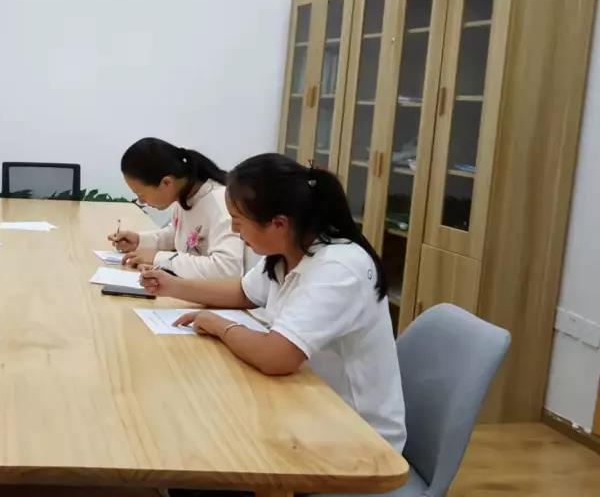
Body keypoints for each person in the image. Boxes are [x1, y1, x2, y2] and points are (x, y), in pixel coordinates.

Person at [140, 153, 406, 453]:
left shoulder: (338, 268)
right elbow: (243, 292)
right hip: (306, 403)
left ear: (278, 223)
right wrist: (173, 285)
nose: (235, 232)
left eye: (238, 222)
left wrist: (219, 326)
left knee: (209, 440)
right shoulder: (290, 250)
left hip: (357, 438)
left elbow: (276, 357)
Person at [107, 137, 253, 279]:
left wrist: (159, 258)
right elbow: (179, 235)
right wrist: (139, 241)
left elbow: (228, 270)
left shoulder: (221, 204)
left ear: (166, 183)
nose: (141, 201)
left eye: (141, 194)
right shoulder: (185, 195)